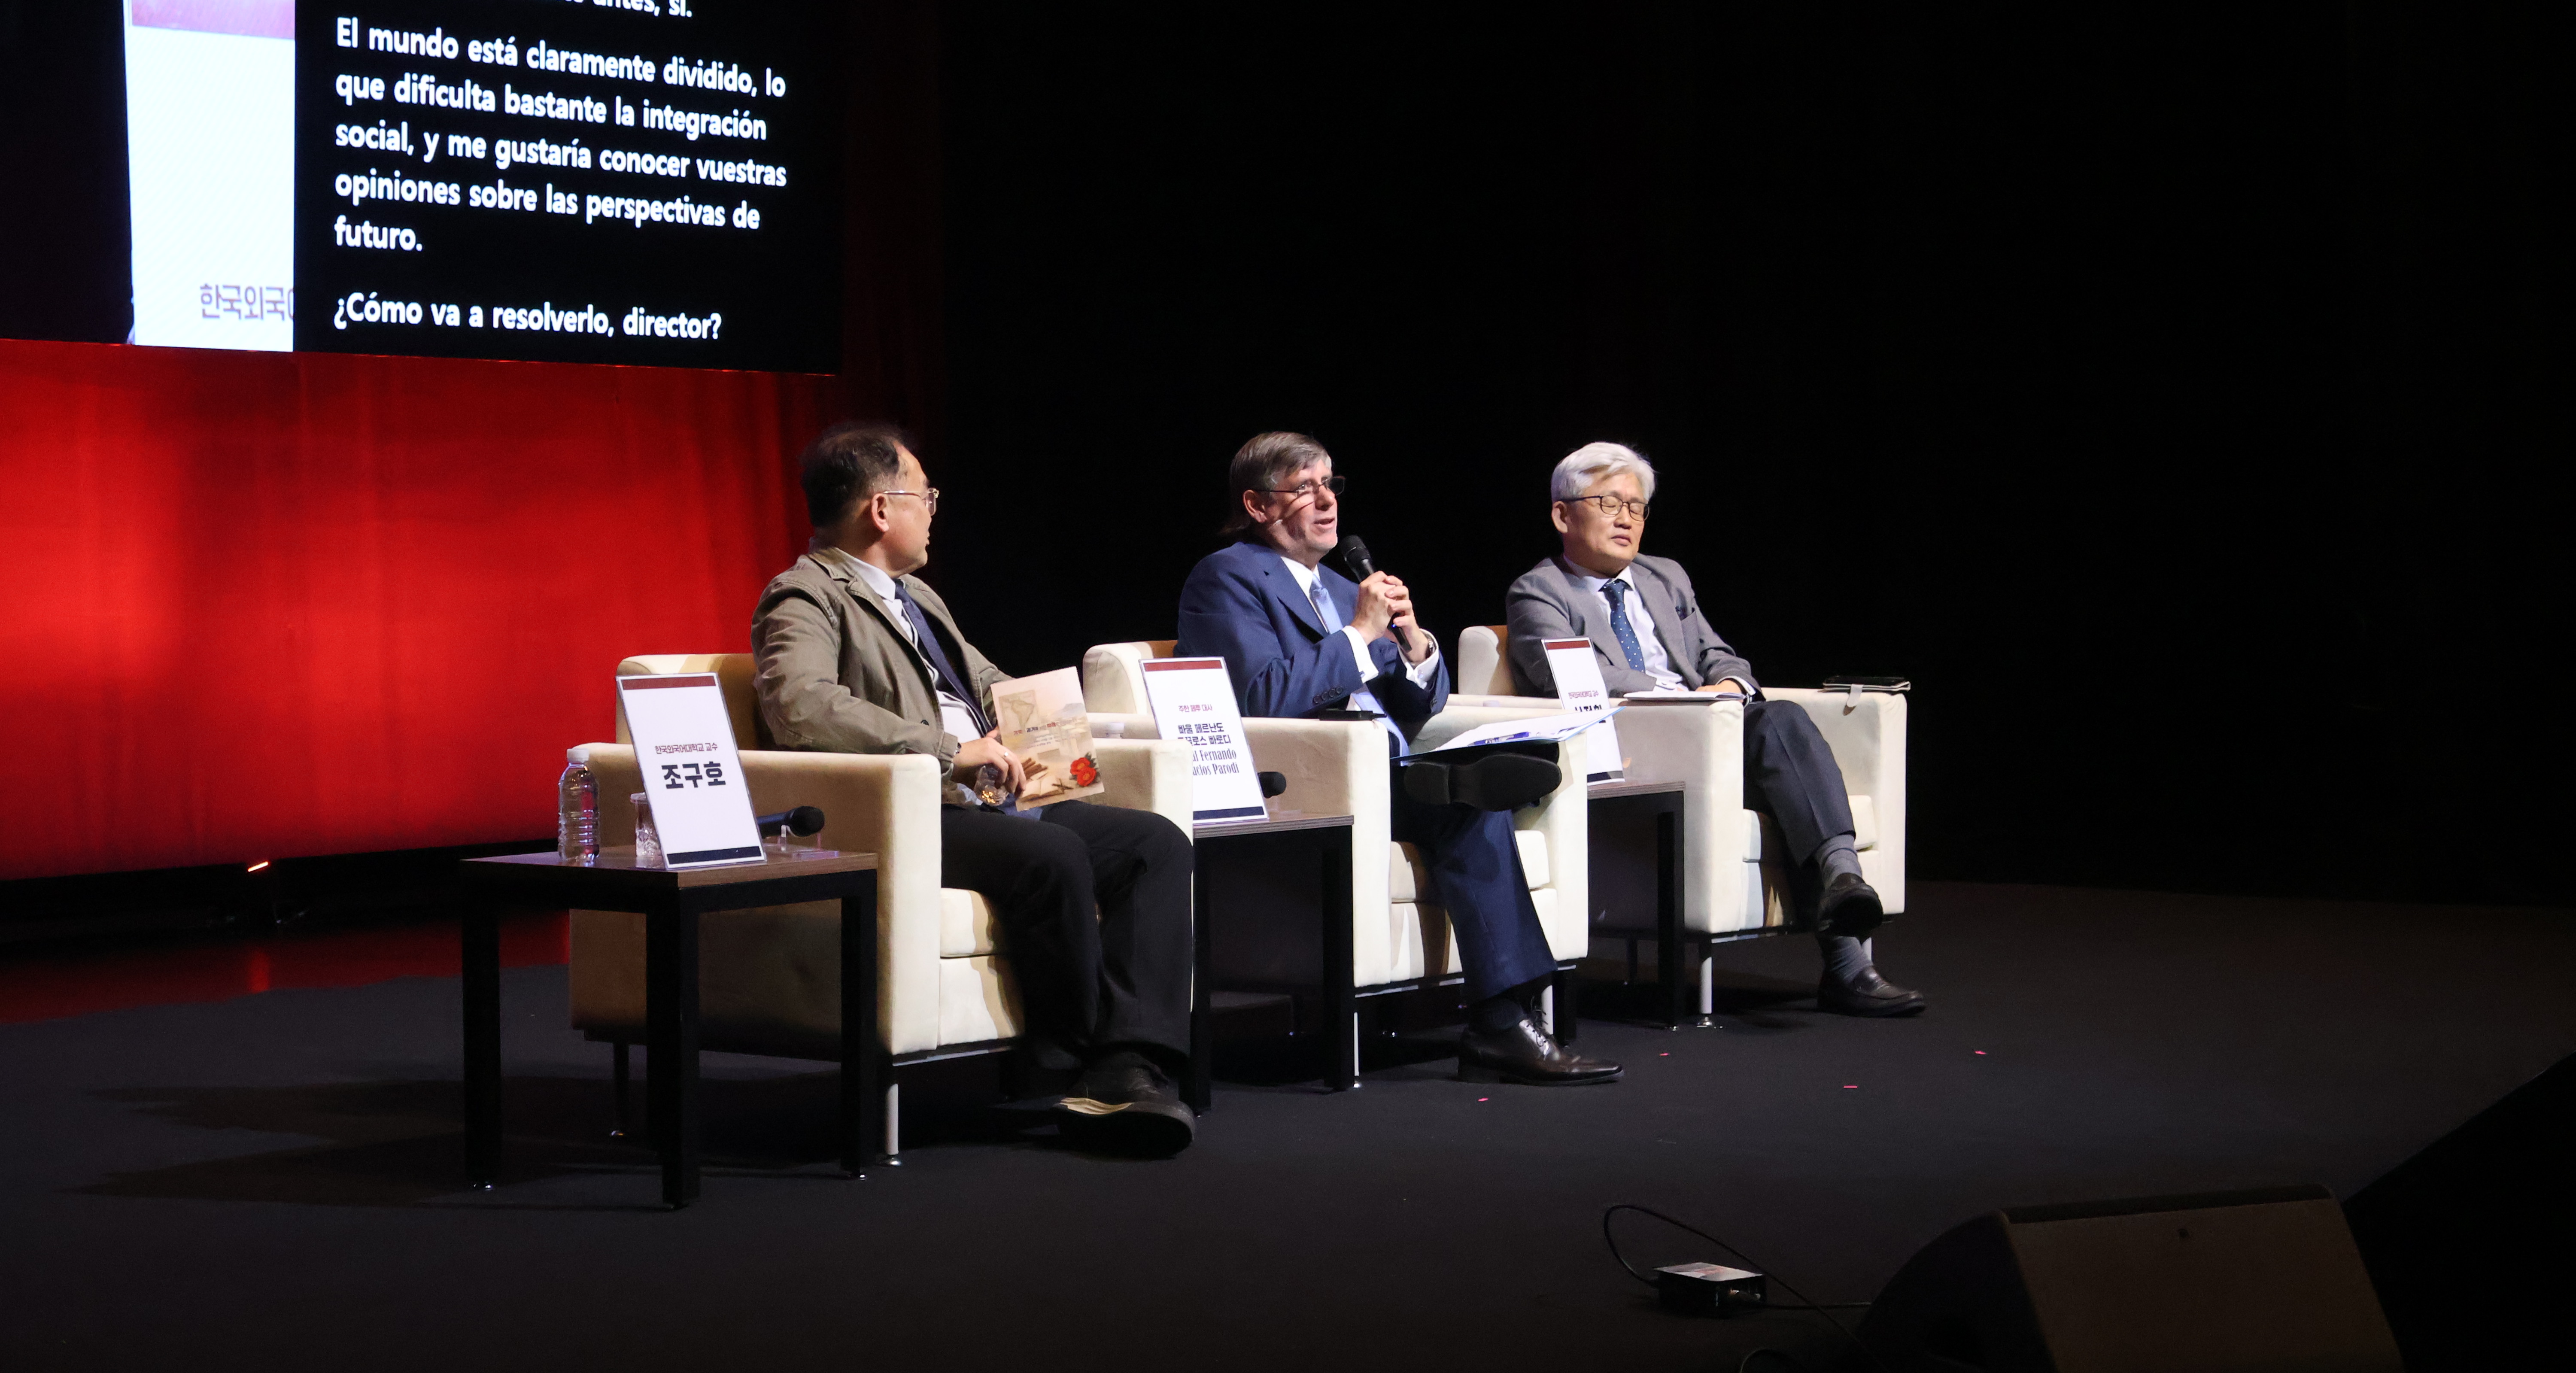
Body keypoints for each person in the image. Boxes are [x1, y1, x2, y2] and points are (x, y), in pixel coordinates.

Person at [753, 423, 1199, 1152]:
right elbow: (800, 706)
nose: (934, 509)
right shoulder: (806, 594)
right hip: (911, 808)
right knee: (1054, 857)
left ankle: (1129, 1060)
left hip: (986, 799)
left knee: (1155, 844)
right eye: (924, 495)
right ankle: (1067, 1061)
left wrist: (1060, 732)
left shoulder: (917, 597)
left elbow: (988, 683)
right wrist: (947, 750)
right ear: (881, 509)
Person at [1177, 431, 1622, 1085]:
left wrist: (1417, 649)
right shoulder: (1228, 578)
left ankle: (1510, 1011)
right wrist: (1360, 635)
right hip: (1315, 784)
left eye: (1331, 484)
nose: (1327, 501)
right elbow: (1257, 696)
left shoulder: (1339, 587)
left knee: (1470, 797)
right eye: (1305, 488)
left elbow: (1416, 705)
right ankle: (1503, 1023)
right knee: (1470, 803)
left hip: (1390, 770)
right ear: (1257, 504)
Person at [1505, 440, 1925, 1017]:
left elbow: (1719, 656)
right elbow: (1574, 678)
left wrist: (1726, 687)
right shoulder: (1539, 592)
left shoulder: (1665, 578)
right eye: (1610, 503)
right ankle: (1847, 960)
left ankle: (1843, 888)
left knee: (1779, 724)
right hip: (1639, 747)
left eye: (1637, 507)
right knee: (1779, 743)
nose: (1627, 519)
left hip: (1719, 734)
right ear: (1563, 515)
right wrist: (1686, 699)